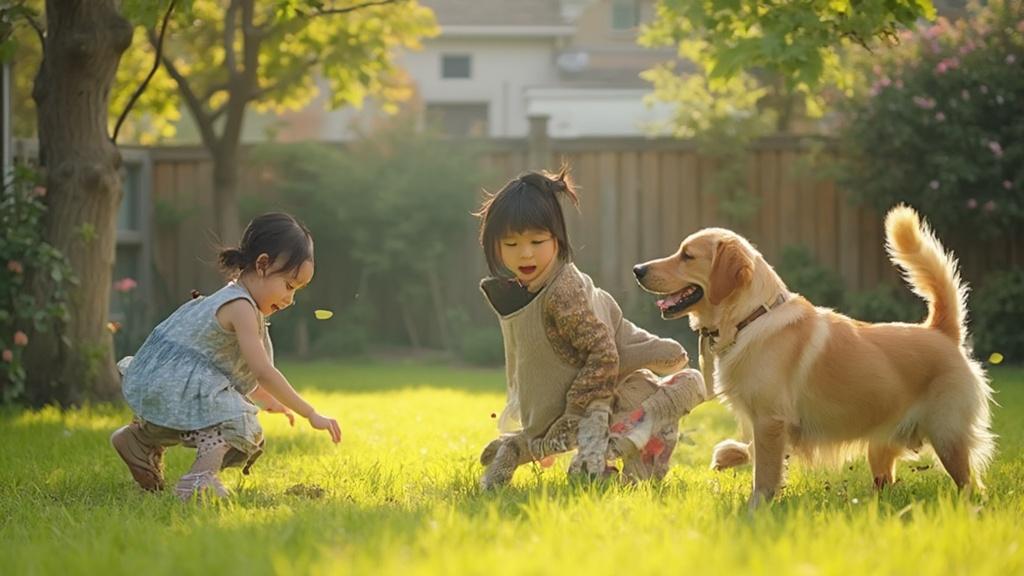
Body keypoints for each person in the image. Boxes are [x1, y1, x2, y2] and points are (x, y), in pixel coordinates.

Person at [474, 168, 706, 488]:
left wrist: (582, 417)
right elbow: (597, 352)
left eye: (536, 241)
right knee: (683, 391)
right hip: (570, 404)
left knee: (682, 387)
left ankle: (532, 452)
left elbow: (605, 349)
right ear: (495, 245)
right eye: (511, 243)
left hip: (580, 402)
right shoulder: (544, 288)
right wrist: (578, 419)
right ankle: (612, 464)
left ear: (557, 238)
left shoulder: (563, 290)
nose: (525, 253)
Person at [111, 212, 341, 500]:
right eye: (289, 286)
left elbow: (223, 369)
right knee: (243, 425)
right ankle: (198, 482)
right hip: (178, 388)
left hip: (165, 387)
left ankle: (138, 441)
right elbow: (263, 371)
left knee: (208, 416)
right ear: (262, 264)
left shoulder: (228, 297)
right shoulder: (241, 307)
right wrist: (310, 413)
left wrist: (269, 401)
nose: (289, 299)